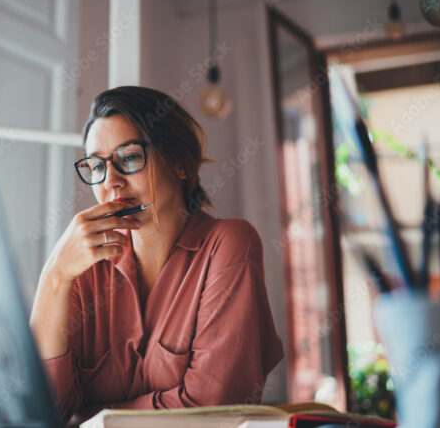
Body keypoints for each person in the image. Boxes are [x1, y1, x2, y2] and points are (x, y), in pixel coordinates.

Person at [29, 86, 283, 424]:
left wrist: (93, 417)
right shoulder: (81, 267)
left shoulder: (229, 244)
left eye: (130, 157)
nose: (112, 183)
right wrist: (55, 276)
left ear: (180, 163)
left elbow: (211, 409)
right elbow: (42, 411)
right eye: (97, 165)